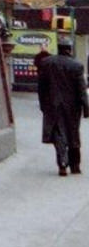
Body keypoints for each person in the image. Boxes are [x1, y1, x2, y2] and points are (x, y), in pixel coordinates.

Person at [35, 43, 89, 175]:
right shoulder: (76, 66)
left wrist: (43, 104)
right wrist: (86, 107)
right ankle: (75, 166)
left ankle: (63, 163)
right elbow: (82, 89)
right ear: (70, 50)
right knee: (73, 134)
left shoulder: (46, 63)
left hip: (53, 105)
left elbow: (41, 87)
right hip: (73, 107)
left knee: (59, 133)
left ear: (58, 49)